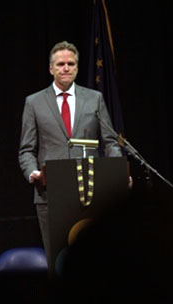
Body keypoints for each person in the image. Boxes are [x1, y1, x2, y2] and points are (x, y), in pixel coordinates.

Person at [18, 41, 123, 262]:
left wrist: (117, 173)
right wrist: (33, 173)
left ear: (76, 67)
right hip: (50, 194)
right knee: (57, 261)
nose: (66, 68)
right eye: (60, 64)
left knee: (93, 260)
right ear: (51, 69)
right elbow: (26, 150)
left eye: (71, 64)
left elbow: (110, 142)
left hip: (90, 192)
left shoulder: (94, 99)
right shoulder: (34, 102)